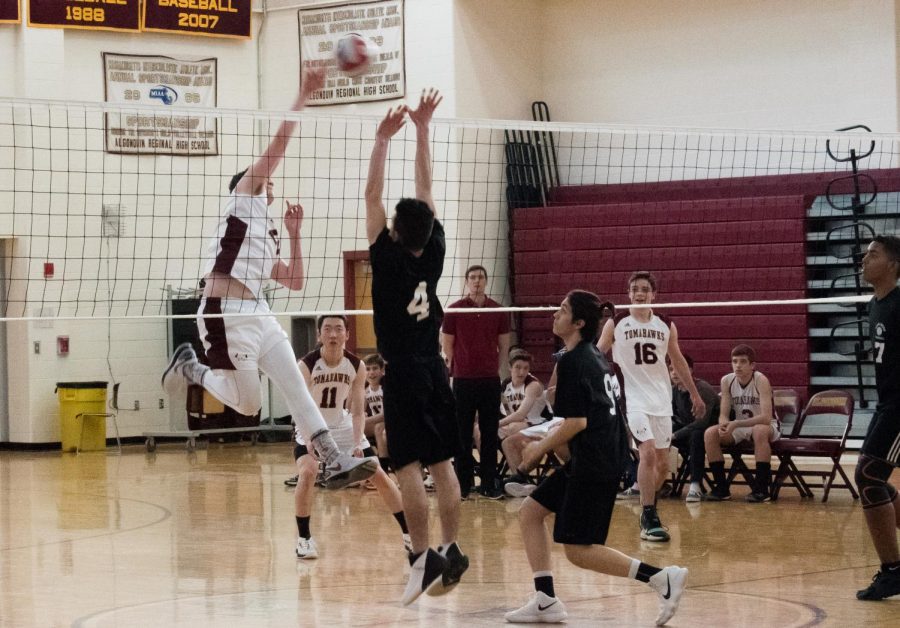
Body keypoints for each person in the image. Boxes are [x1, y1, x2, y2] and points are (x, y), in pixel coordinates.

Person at [161, 67, 376, 490]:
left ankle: (333, 459)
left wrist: (294, 235)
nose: (271, 182)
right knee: (250, 405)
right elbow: (277, 145)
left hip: (257, 312)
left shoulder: (267, 232)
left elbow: (295, 281)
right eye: (266, 178)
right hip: (224, 313)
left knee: (297, 384)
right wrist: (303, 94)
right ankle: (193, 368)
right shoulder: (243, 195)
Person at [505, 290, 687, 626]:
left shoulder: (576, 361)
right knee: (531, 513)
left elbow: (576, 423)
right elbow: (583, 418)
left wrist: (537, 449)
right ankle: (545, 599)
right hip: (594, 456)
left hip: (596, 462)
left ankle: (660, 578)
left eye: (561, 310)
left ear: (578, 323)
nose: (554, 315)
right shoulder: (589, 356)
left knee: (578, 549)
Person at [365, 89, 468, 606]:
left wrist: (383, 140)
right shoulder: (435, 252)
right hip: (436, 368)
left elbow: (371, 198)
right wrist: (424, 129)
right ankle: (451, 549)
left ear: (395, 233)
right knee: (444, 462)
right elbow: (425, 189)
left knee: (407, 467)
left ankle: (424, 556)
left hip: (404, 371)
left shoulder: (386, 261)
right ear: (427, 232)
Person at [597, 271, 705, 542]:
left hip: (660, 400)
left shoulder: (666, 325)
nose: (640, 293)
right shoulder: (617, 322)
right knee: (646, 454)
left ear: (654, 294)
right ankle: (649, 514)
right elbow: (598, 355)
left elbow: (678, 361)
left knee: (661, 464)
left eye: (645, 288)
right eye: (635, 289)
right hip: (632, 399)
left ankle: (645, 502)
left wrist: (695, 394)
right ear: (629, 294)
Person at [292, 316, 411, 559]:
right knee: (307, 472)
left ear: (347, 333)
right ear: (319, 335)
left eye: (338, 329)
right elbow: (299, 406)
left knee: (377, 473)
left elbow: (358, 410)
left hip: (342, 424)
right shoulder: (306, 365)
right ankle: (303, 539)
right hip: (311, 425)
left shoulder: (356, 365)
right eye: (327, 330)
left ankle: (410, 535)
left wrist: (357, 442)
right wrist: (309, 437)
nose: (333, 335)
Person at [855, 235, 900, 601]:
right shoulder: (875, 304)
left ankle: (893, 571)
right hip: (887, 404)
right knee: (873, 480)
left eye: (874, 254)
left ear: (894, 265)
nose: (864, 259)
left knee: (868, 475)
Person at [442, 264, 511, 499]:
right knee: (462, 433)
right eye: (472, 277)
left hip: (489, 380)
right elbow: (447, 346)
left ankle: (489, 484)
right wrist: (459, 367)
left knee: (490, 433)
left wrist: (495, 368)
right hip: (462, 380)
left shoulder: (498, 310)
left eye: (480, 277)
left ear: (486, 280)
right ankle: (463, 484)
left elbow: (504, 346)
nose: (476, 281)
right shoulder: (454, 310)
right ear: (466, 281)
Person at [703, 344, 777, 503]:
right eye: (734, 361)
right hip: (739, 426)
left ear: (752, 365)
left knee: (759, 430)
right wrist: (723, 425)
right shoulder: (727, 380)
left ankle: (762, 489)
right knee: (710, 434)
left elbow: (766, 417)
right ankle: (721, 488)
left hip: (765, 425)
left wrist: (735, 424)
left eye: (743, 361)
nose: (738, 365)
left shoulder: (761, 380)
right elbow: (723, 414)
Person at [669, 355, 719, 502]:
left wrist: (675, 435)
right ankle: (656, 483)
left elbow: (702, 423)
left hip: (712, 432)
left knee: (697, 435)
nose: (673, 373)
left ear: (689, 370)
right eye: (671, 369)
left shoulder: (702, 388)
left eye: (677, 369)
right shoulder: (674, 391)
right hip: (688, 432)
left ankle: (695, 486)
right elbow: (671, 416)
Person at [498, 349, 552, 440]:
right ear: (510, 367)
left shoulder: (532, 385)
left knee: (512, 428)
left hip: (541, 422)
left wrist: (498, 423)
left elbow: (520, 415)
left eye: (526, 368)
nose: (522, 372)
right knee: (479, 430)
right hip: (521, 423)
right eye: (518, 367)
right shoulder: (505, 384)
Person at [363, 353, 392, 475]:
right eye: (368, 369)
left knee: (378, 428)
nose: (371, 373)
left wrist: (366, 420)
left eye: (375, 368)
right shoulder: (365, 390)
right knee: (354, 429)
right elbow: (360, 411)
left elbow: (386, 415)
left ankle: (384, 470)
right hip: (376, 422)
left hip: (390, 421)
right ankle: (360, 468)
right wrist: (361, 416)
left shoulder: (386, 387)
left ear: (382, 370)